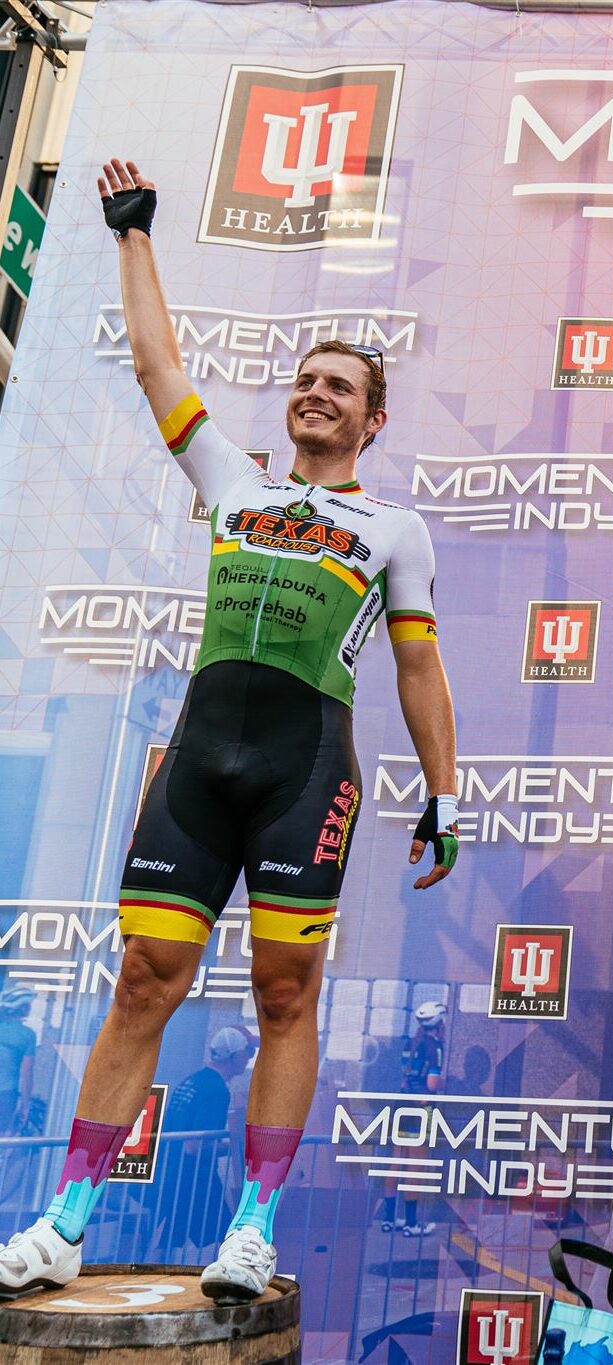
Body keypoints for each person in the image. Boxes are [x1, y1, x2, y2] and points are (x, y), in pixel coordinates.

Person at [0, 159, 463, 1304]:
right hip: (201, 756)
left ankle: (251, 1230)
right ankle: (64, 1221)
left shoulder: (394, 528)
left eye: (339, 386)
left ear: (372, 417)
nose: (315, 394)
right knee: (145, 979)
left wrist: (447, 793)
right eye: (306, 380)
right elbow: (159, 364)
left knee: (285, 995)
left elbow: (417, 664)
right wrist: (133, 236)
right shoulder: (231, 477)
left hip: (305, 766)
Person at [153, 1028, 255, 1257]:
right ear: (233, 1056)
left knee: (170, 1236)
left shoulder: (191, 1081)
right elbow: (195, 1146)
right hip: (197, 1179)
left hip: (172, 1174)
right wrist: (233, 1145)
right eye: (246, 1053)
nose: (248, 1059)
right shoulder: (217, 1090)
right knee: (223, 1235)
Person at [378, 1001, 446, 1238]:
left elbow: (404, 1073)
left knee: (396, 1162)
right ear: (439, 1023)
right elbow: (431, 1084)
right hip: (421, 1107)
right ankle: (412, 1223)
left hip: (402, 1104)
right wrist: (442, 1085)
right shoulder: (435, 1046)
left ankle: (388, 1219)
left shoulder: (410, 1042)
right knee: (415, 1167)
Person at [0, 988, 36, 1136]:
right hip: (6, 1094)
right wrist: (25, 1105)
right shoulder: (27, 1035)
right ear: (22, 1007)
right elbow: (26, 1074)